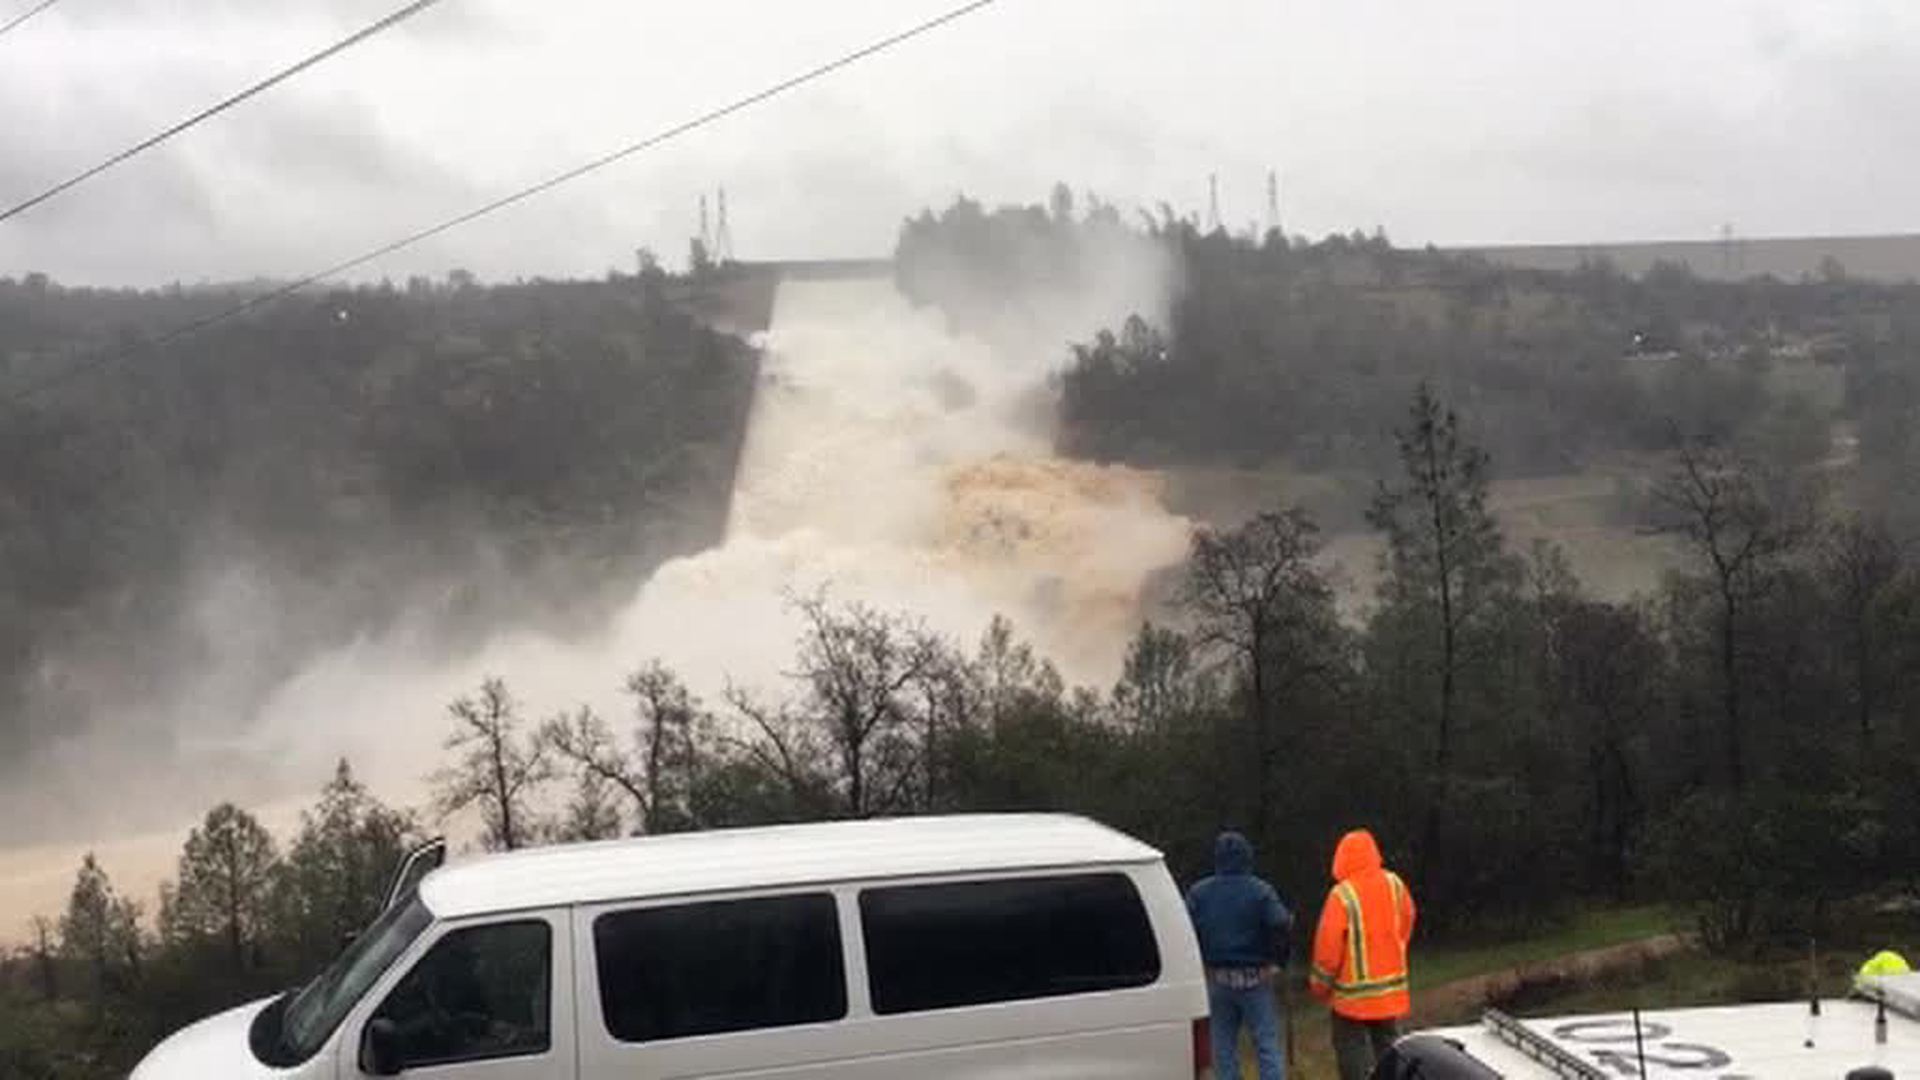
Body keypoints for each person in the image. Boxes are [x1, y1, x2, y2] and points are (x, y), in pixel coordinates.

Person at [1309, 828, 1416, 1080]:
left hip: (1351, 1000)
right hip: (1389, 993)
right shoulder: (1394, 884)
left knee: (1352, 1058)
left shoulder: (1341, 895)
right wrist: (1394, 950)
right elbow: (1408, 918)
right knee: (1392, 1054)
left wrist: (1320, 987)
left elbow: (1327, 952)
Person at [1186, 830, 1292, 1080]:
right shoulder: (1261, 891)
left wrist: (1197, 962)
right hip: (1255, 978)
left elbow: (1184, 927)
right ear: (1248, 858)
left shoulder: (1199, 893)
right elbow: (1280, 924)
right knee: (1266, 1044)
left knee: (1222, 1048)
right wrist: (1278, 962)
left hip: (1217, 978)